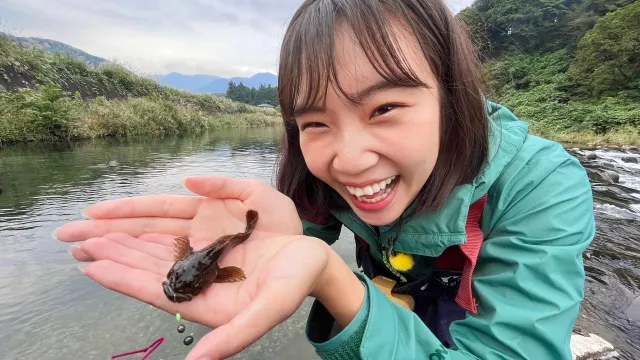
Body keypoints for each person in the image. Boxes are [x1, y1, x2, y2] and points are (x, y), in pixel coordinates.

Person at [55, 0, 596, 359]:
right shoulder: (313, 169)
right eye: (315, 121)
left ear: (451, 98)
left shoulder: (542, 188)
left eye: (384, 107)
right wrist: (286, 239)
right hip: (395, 282)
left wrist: (336, 284)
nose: (350, 159)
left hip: (468, 297)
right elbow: (286, 251)